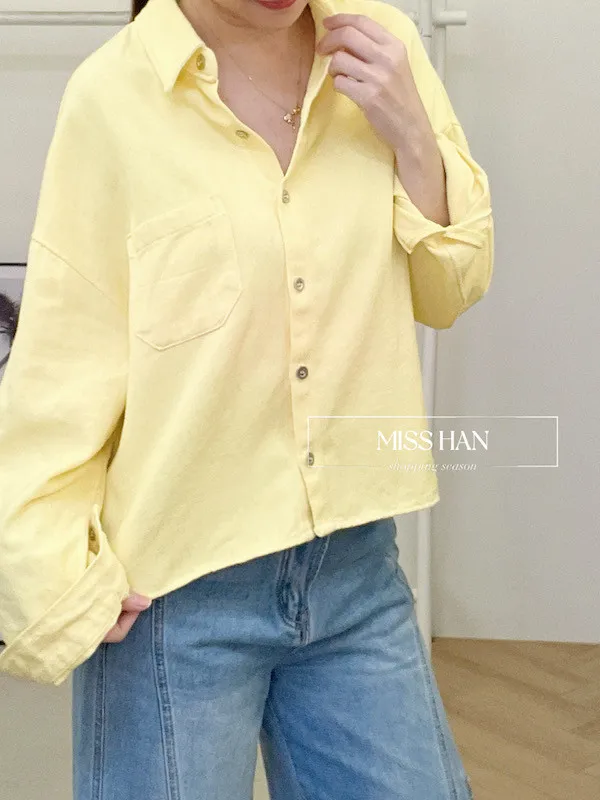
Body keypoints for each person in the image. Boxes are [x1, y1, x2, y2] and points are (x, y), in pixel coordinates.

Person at [0, 0, 493, 796]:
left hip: (355, 571)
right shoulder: (113, 96)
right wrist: (49, 572)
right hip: (176, 595)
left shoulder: (384, 49)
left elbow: (449, 289)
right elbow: (65, 357)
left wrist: (412, 135)